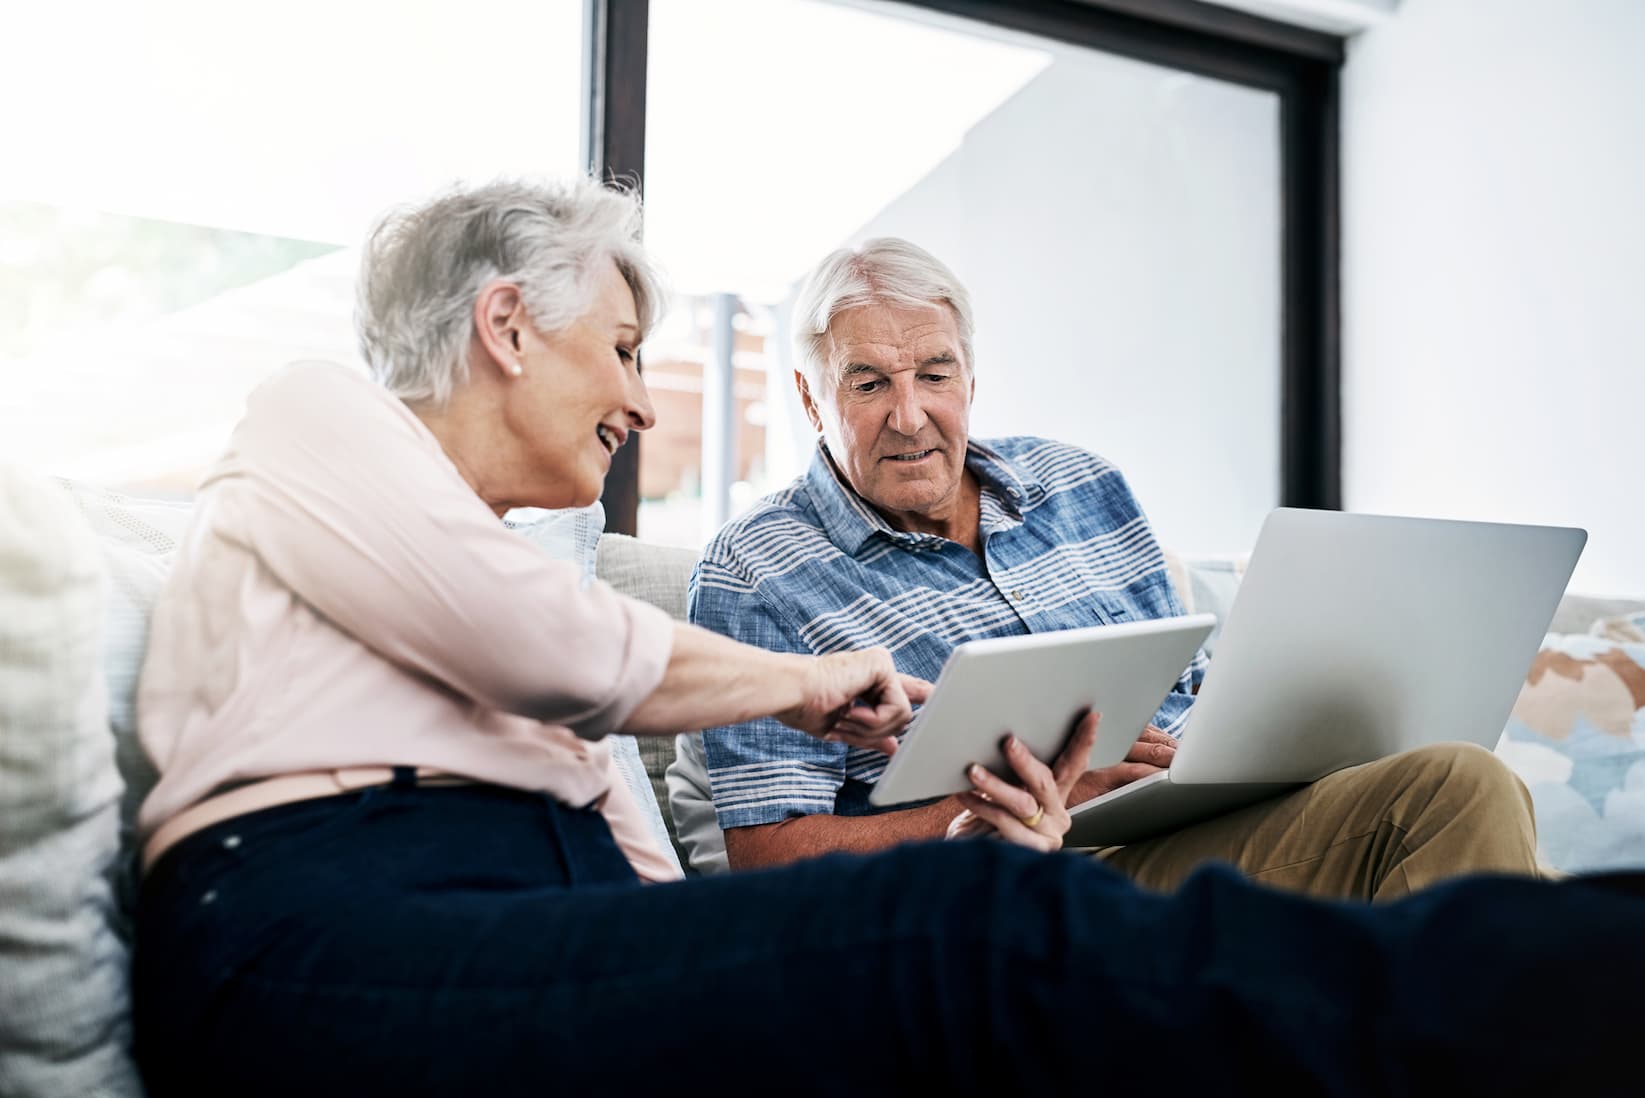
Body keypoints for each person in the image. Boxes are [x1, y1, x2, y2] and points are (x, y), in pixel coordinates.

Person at [132, 178, 1642, 1097]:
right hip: (326, 918)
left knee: (1434, 788)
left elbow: (641, 864)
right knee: (967, 931)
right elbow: (565, 649)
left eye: (940, 371)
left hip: (511, 915)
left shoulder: (473, 569)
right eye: (622, 348)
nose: (645, 402)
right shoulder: (318, 415)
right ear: (508, 327)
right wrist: (827, 684)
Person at [687, 237, 1538, 898]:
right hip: (1035, 880)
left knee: (1493, 825)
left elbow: (1192, 690)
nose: (909, 416)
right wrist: (1024, 799)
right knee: (1457, 793)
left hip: (1209, 815)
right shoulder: (755, 569)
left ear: (971, 376)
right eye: (867, 384)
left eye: (934, 374)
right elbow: (769, 857)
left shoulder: (1081, 485)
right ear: (809, 396)